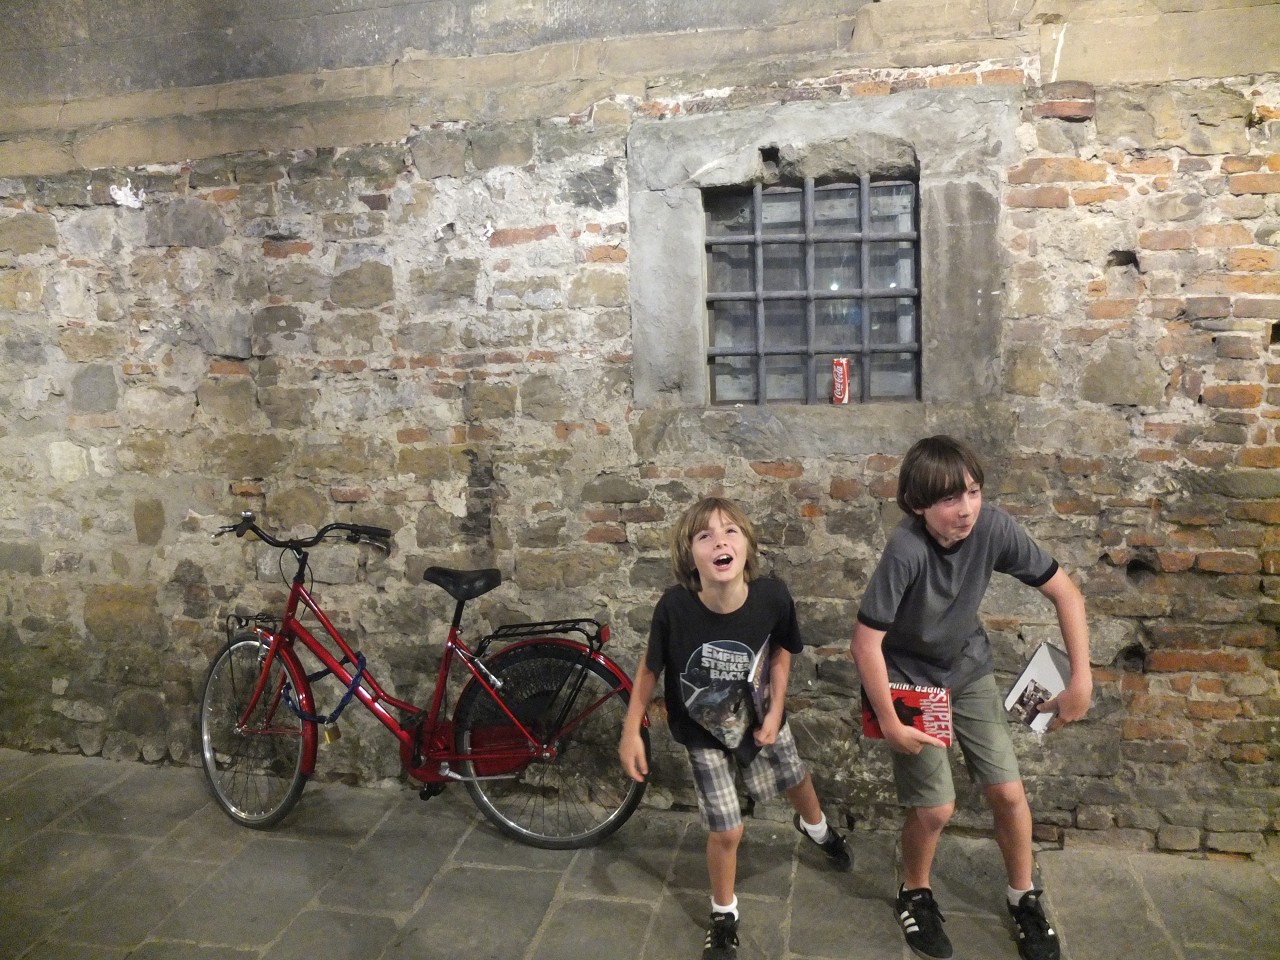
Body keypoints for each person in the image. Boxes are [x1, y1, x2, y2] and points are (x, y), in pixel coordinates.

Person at [849, 436, 1092, 960]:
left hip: (967, 668)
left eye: (974, 492)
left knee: (1008, 792)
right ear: (917, 504)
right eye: (949, 499)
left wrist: (1082, 680)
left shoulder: (992, 527)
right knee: (936, 808)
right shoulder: (906, 549)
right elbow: (865, 643)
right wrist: (888, 721)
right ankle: (915, 891)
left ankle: (1022, 896)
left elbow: (1066, 593)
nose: (966, 509)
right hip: (909, 678)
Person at [619, 496, 851, 960]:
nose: (719, 542)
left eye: (730, 531)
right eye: (704, 536)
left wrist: (775, 711)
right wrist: (630, 730)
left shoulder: (772, 598)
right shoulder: (674, 608)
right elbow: (650, 667)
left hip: (758, 716)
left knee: (794, 777)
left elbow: (781, 652)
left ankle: (818, 828)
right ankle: (724, 914)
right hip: (702, 731)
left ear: (747, 545)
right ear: (690, 556)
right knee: (727, 831)